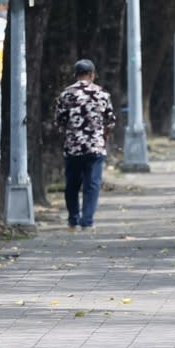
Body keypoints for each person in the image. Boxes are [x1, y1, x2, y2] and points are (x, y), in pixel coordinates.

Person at [55, 58, 116, 230]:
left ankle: (73, 219)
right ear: (92, 75)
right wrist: (103, 136)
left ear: (76, 75)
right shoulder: (102, 94)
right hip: (95, 146)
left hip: (73, 147)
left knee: (72, 185)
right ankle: (87, 221)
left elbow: (59, 121)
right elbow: (110, 121)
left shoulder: (66, 94)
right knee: (92, 184)